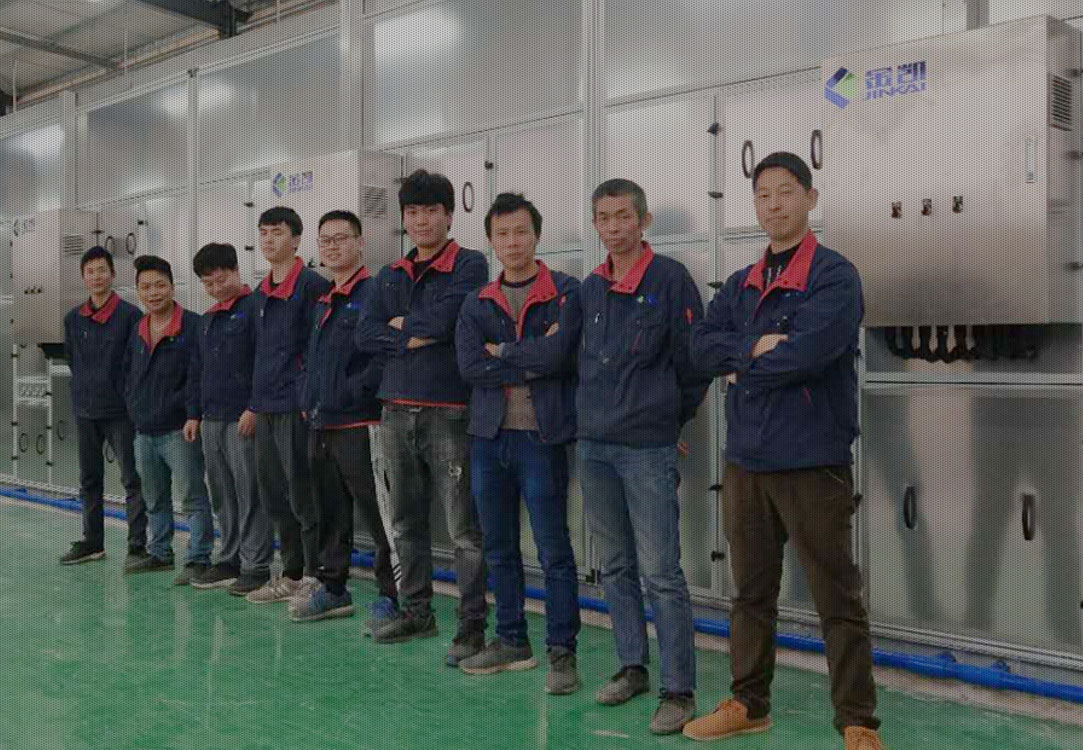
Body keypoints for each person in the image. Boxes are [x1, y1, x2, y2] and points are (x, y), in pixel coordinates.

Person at [683, 152, 883, 750]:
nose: (774, 205)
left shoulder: (834, 277)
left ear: (811, 198)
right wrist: (754, 349)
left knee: (836, 595)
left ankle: (857, 721)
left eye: (786, 192)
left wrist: (744, 361)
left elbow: (809, 354)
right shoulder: (742, 283)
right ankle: (748, 703)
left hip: (812, 459)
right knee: (750, 592)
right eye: (763, 194)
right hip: (746, 460)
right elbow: (698, 347)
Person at [577, 178, 710, 735]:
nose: (614, 228)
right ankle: (631, 666)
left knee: (661, 572)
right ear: (596, 224)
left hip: (647, 449)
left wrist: (667, 422)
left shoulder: (671, 281)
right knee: (614, 565)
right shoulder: (590, 288)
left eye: (623, 217)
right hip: (595, 447)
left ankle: (678, 690)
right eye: (604, 218)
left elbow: (695, 364)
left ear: (644, 220)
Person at [356, 169, 489, 665]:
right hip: (395, 409)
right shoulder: (389, 274)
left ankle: (471, 628)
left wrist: (400, 327)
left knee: (463, 530)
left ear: (449, 215)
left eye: (431, 211)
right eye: (412, 212)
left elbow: (454, 319)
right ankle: (416, 612)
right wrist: (412, 335)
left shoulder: (470, 264)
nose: (421, 221)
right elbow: (365, 333)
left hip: (449, 410)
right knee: (406, 522)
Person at [454, 193, 582, 693]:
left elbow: (561, 356)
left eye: (521, 231)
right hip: (489, 439)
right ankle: (511, 640)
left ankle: (562, 652)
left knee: (553, 548)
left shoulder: (564, 291)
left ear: (537, 235)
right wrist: (533, 359)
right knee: (499, 545)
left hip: (541, 438)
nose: (512, 242)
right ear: (491, 240)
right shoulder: (477, 302)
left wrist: (505, 352)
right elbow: (470, 367)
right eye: (502, 233)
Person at [291, 210, 398, 625]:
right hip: (321, 423)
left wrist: (352, 392)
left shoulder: (375, 293)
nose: (333, 247)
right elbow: (309, 358)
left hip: (360, 424)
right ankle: (334, 588)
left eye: (341, 238)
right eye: (326, 241)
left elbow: (384, 354)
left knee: (380, 515)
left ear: (360, 243)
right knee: (330, 513)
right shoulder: (323, 301)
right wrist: (309, 395)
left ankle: (393, 595)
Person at [246, 207, 332, 606]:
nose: (268, 240)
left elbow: (318, 349)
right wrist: (253, 403)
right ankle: (292, 573)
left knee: (303, 493)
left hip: (296, 408)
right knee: (274, 494)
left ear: (296, 239)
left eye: (277, 232)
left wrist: (306, 398)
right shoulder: (259, 293)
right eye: (263, 232)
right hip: (265, 406)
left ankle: (315, 575)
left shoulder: (313, 286)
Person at [190, 242, 275, 596]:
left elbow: (265, 362)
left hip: (243, 418)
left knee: (250, 491)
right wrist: (194, 414)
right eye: (208, 283)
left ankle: (256, 565)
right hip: (212, 418)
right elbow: (198, 370)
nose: (215, 287)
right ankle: (228, 559)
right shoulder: (207, 319)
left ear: (237, 271)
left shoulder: (256, 309)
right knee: (222, 493)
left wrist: (254, 407)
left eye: (221, 278)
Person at [123, 255, 214, 585]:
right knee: (154, 498)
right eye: (146, 287)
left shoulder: (193, 326)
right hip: (144, 429)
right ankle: (160, 552)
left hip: (179, 429)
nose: (153, 293)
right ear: (138, 292)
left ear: (173, 288)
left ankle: (199, 558)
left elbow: (198, 376)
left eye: (160, 285)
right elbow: (128, 373)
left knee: (192, 497)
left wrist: (193, 414)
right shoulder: (138, 329)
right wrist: (133, 407)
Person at [60, 245, 147, 569]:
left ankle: (137, 545)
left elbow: (135, 364)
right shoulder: (73, 319)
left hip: (120, 412)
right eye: (90, 271)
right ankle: (92, 542)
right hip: (85, 409)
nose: (96, 276)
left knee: (132, 479)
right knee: (89, 479)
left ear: (113, 274)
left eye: (102, 270)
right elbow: (73, 359)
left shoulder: (130, 316)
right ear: (83, 277)